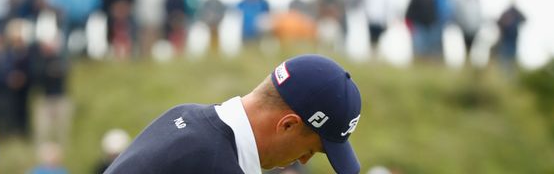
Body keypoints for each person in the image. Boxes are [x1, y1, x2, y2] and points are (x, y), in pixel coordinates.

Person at [103, 54, 362, 174]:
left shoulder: (183, 114)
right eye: (312, 149)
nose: (304, 160)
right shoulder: (215, 165)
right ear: (288, 125)